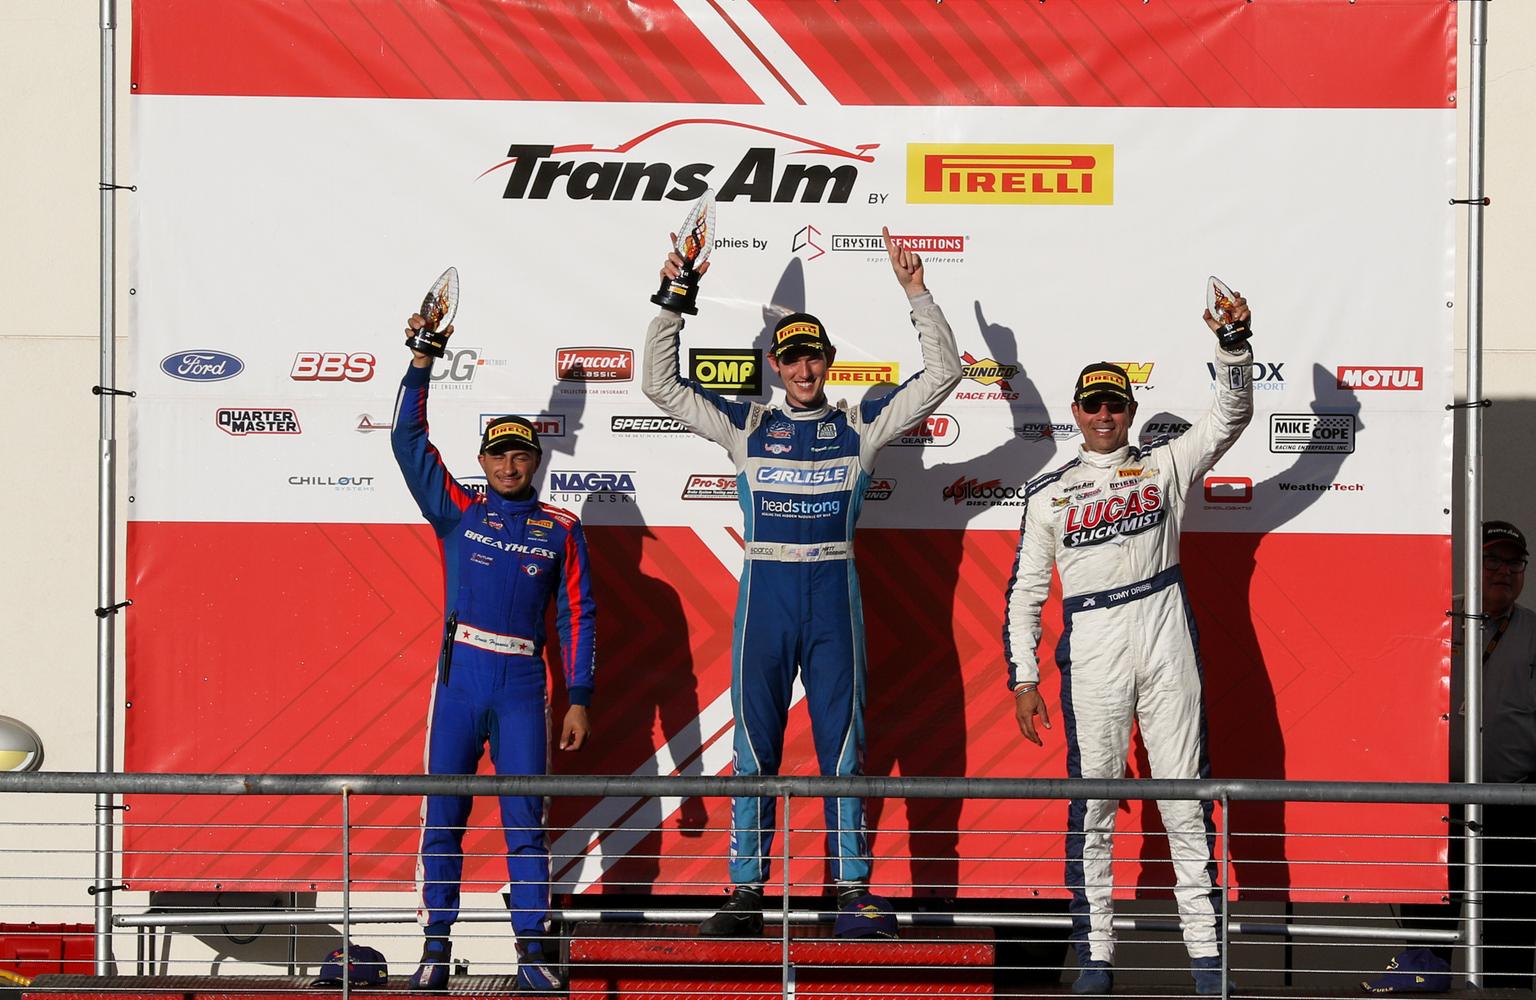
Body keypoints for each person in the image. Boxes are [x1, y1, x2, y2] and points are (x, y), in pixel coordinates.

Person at [643, 226, 960, 937]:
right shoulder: (747, 425)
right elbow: (656, 383)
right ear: (777, 366)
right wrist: (676, 295)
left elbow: (943, 375)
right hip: (766, 594)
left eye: (813, 356)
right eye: (791, 357)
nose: (803, 368)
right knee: (754, 744)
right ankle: (745, 893)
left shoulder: (861, 427)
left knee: (844, 745)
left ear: (829, 362)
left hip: (833, 593)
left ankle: (851, 889)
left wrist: (917, 293)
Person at [1003, 292, 1255, 996]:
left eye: (1116, 405)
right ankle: (1095, 960)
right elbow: (1025, 593)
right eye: (1094, 406)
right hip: (1093, 642)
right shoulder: (1048, 493)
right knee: (1096, 802)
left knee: (1185, 799)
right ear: (1077, 414)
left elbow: (1230, 414)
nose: (1106, 416)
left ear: (1130, 413)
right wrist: (1023, 679)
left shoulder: (1166, 466)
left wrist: (1234, 343)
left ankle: (1208, 964)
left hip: (1164, 623)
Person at [392, 313, 598, 993]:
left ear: (537, 461)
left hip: (521, 686)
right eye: (498, 454)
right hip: (459, 680)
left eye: (522, 454)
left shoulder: (562, 529)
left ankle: (533, 955)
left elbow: (576, 614)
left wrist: (580, 697)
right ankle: (433, 950)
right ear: (482, 461)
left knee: (525, 828)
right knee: (442, 820)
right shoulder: (458, 508)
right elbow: (406, 438)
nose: (510, 465)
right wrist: (422, 361)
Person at [1364, 521, 1536, 994]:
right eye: (1492, 560)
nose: (1503, 571)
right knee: (1428, 938)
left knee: (1509, 934)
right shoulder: (1435, 621)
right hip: (1437, 807)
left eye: (1513, 563)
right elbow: (1390, 705)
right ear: (1470, 563)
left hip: (1510, 806)